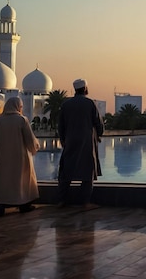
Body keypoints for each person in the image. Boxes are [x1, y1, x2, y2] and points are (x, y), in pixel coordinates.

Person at [0, 97, 40, 217]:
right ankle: (23, 204)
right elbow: (29, 139)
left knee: (3, 179)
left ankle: (0, 206)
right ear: (18, 106)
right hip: (20, 157)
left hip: (3, 157)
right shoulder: (22, 120)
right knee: (20, 180)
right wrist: (34, 148)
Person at [57, 78, 104, 206]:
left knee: (67, 171)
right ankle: (85, 202)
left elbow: (60, 126)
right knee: (87, 172)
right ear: (85, 89)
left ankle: (62, 200)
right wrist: (99, 134)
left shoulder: (66, 105)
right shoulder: (90, 103)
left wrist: (63, 140)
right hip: (86, 143)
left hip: (70, 142)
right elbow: (98, 123)